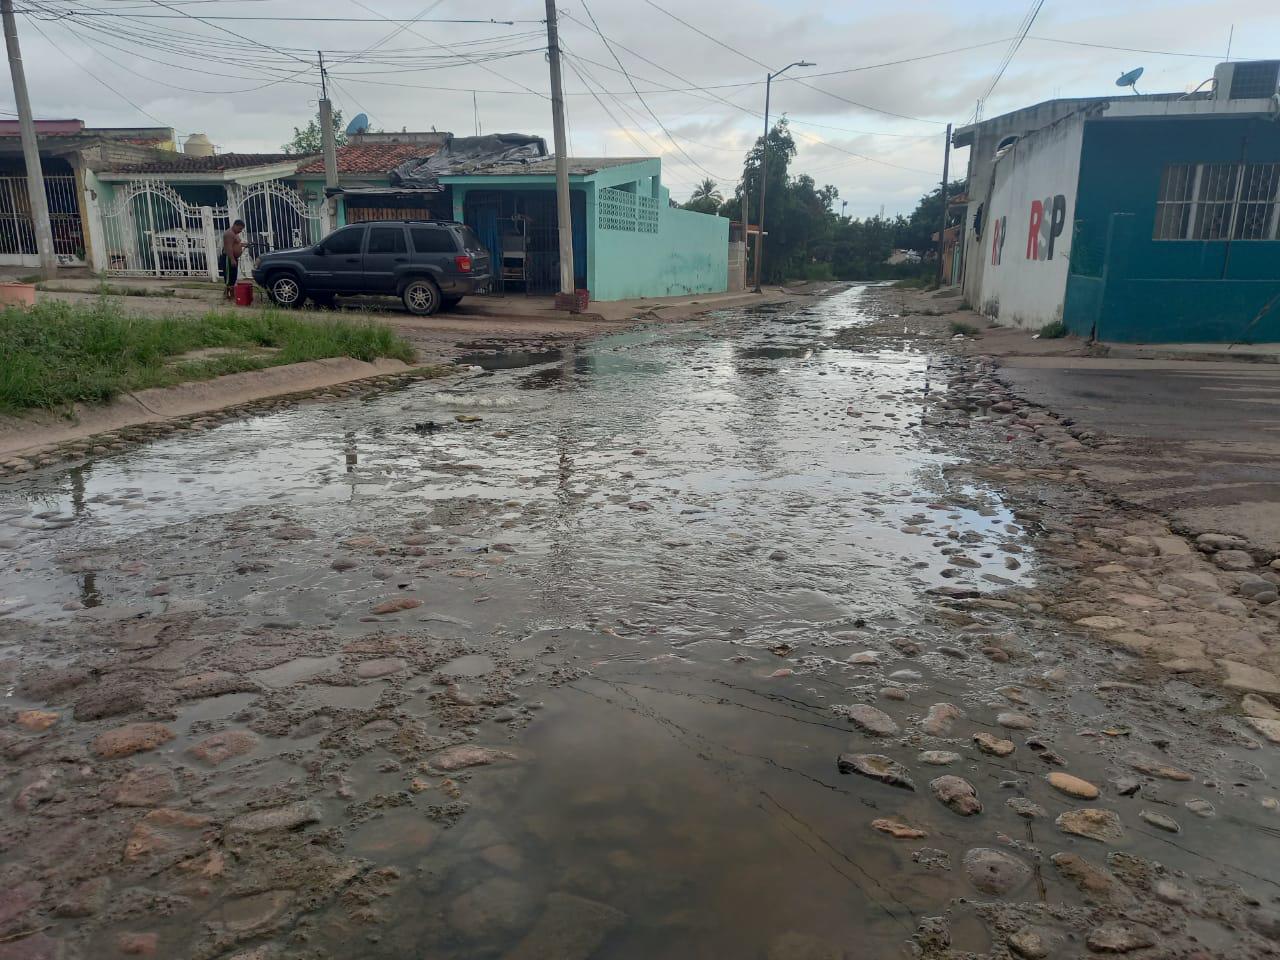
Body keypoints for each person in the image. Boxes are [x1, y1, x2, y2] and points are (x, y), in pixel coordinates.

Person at [222, 220, 246, 299]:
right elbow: (228, 248)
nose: (240, 231)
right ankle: (227, 294)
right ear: (235, 225)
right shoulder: (229, 234)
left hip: (234, 257)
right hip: (229, 257)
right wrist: (232, 259)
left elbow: (235, 244)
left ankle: (231, 294)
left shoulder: (235, 234)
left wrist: (243, 245)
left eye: (241, 229)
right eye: (240, 229)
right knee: (229, 277)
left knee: (233, 276)